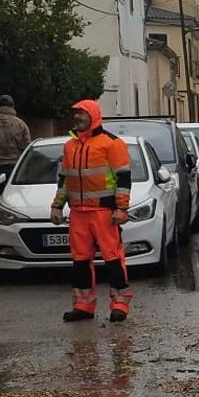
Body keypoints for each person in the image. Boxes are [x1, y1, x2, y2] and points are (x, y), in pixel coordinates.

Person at [50, 99, 134, 324]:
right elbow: (64, 180)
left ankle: (120, 304)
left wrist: (121, 208)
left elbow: (123, 179)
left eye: (82, 113)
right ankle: (83, 305)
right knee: (79, 261)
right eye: (75, 113)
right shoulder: (70, 146)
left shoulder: (112, 144)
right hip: (78, 213)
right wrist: (57, 206)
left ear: (93, 116)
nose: (77, 117)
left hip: (103, 212)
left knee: (113, 259)